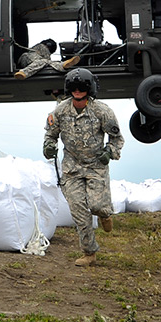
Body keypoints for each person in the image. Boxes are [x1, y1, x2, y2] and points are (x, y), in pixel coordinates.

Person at [43, 68, 124, 266]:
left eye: (82, 88)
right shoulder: (60, 111)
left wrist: (109, 153)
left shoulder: (102, 111)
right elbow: (50, 135)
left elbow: (116, 138)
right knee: (78, 210)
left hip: (96, 165)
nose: (78, 91)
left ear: (89, 89)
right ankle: (89, 253)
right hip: (71, 168)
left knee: (96, 206)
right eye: (74, 88)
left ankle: (105, 213)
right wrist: (48, 146)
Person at [14, 38, 80, 79]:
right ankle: (24, 72)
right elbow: (48, 61)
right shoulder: (42, 46)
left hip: (32, 62)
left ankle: (63, 65)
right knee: (45, 62)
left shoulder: (40, 48)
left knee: (44, 62)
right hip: (26, 58)